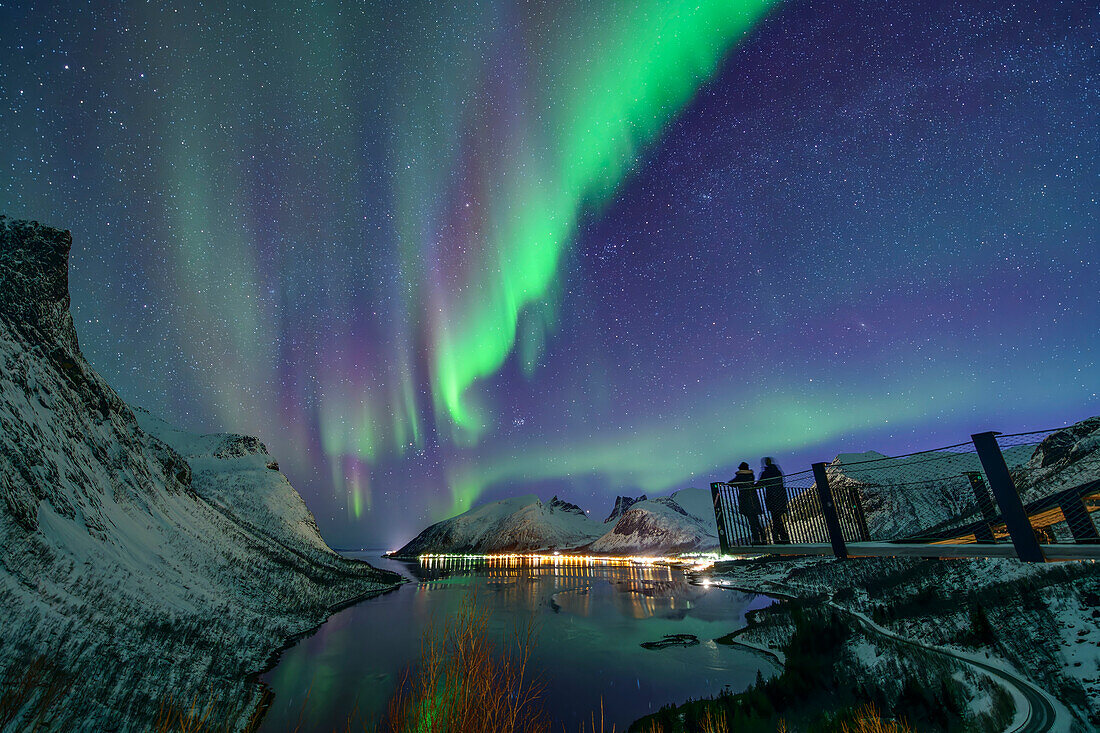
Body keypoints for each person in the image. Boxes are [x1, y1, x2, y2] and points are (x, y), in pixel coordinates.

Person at [731, 462, 763, 544]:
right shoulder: (751, 475)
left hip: (745, 500)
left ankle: (756, 540)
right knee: (756, 521)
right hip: (754, 500)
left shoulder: (740, 476)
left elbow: (732, 483)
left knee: (751, 522)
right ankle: (763, 538)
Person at [760, 457, 790, 544]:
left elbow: (761, 483)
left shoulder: (766, 473)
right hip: (780, 498)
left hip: (772, 499)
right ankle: (783, 537)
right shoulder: (777, 471)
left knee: (776, 519)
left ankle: (778, 538)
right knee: (778, 519)